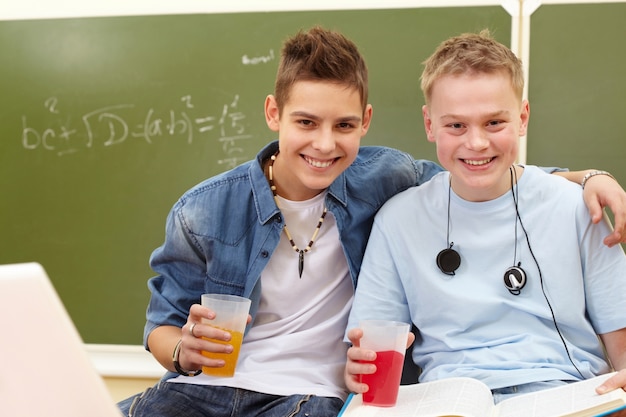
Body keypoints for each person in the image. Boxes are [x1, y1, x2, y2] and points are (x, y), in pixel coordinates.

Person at [119, 27, 626, 417]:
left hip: (313, 400)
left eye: (342, 125)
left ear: (365, 121)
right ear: (275, 113)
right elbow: (162, 326)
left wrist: (584, 178)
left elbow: (483, 173)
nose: (324, 144)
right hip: (205, 390)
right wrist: (186, 348)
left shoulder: (386, 179)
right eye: (305, 123)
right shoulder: (206, 209)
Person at [344, 29, 626, 405]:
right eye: (456, 125)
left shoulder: (575, 206)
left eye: (494, 122)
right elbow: (367, 352)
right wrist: (355, 371)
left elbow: (621, 343)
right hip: (448, 402)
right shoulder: (398, 220)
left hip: (563, 394)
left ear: (523, 118)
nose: (476, 143)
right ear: (429, 124)